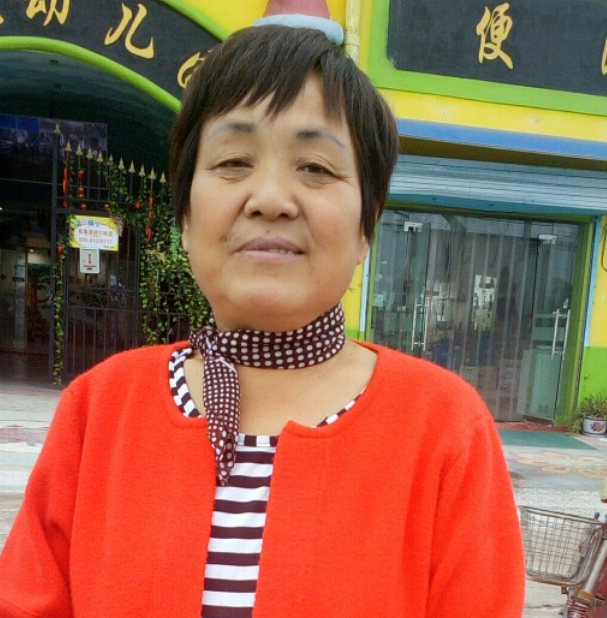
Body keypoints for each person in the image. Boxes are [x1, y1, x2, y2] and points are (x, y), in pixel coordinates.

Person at [0, 25, 525, 618]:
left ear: (366, 226)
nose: (270, 198)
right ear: (186, 216)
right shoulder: (99, 410)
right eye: (233, 161)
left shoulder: (445, 431)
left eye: (316, 168)